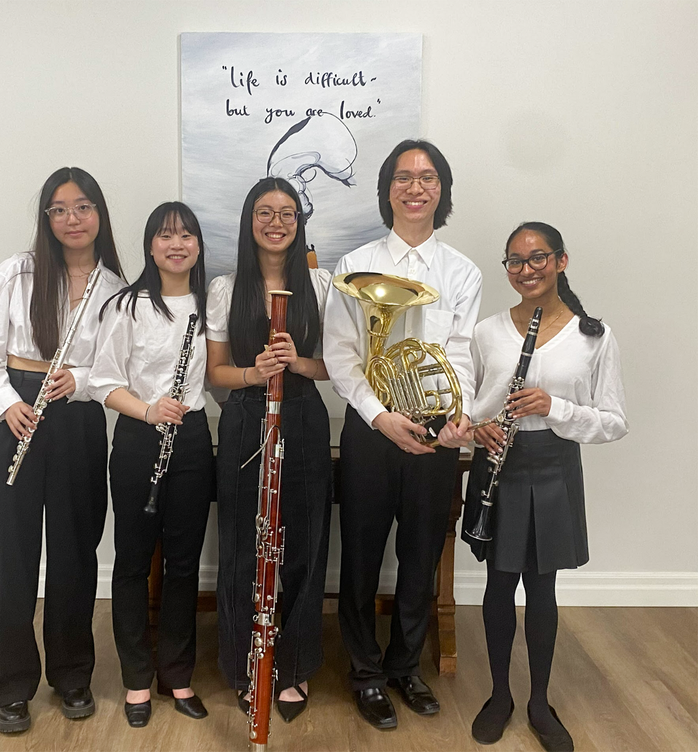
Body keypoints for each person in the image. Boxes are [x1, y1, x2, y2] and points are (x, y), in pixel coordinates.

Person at [323, 139, 482, 729]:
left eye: (428, 177)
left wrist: (456, 413)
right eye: (404, 177)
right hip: (373, 429)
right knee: (361, 554)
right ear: (387, 189)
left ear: (441, 190)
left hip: (436, 433)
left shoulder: (461, 271)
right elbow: (341, 355)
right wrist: (380, 415)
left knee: (420, 553)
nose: (416, 187)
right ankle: (364, 670)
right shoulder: (355, 264)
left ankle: (404, 666)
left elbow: (461, 354)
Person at [0, 167, 125, 733]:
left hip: (77, 417)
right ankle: (11, 687)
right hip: (17, 412)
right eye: (59, 209)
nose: (72, 219)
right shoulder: (17, 271)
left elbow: (115, 368)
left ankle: (72, 675)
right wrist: (7, 403)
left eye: (82, 207)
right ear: (46, 218)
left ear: (99, 214)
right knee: (10, 557)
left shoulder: (115, 287)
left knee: (76, 554)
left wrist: (79, 382)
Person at [462, 222, 628, 752]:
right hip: (497, 463)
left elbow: (614, 420)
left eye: (538, 258)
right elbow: (466, 402)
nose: (526, 269)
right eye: (514, 260)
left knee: (541, 586)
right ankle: (498, 696)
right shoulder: (488, 331)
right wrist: (475, 425)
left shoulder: (593, 336)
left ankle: (538, 700)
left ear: (561, 261)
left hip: (554, 465)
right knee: (497, 583)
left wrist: (553, 407)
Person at [206, 177, 332, 723]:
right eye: (264, 212)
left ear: (300, 222)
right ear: (248, 221)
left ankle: (296, 665)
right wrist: (254, 373)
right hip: (243, 420)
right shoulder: (223, 288)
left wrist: (297, 361)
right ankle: (245, 664)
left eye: (286, 213)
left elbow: (340, 368)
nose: (276, 222)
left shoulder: (324, 285)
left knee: (303, 543)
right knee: (240, 546)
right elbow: (215, 373)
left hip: (303, 415)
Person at [88, 202, 214, 728]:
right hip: (141, 438)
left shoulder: (213, 305)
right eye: (165, 236)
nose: (177, 244)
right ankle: (137, 679)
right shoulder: (127, 306)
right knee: (134, 563)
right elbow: (101, 381)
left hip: (191, 440)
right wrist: (146, 408)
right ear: (150, 245)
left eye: (186, 235)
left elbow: (219, 377)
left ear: (199, 246)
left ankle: (177, 674)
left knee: (185, 563)